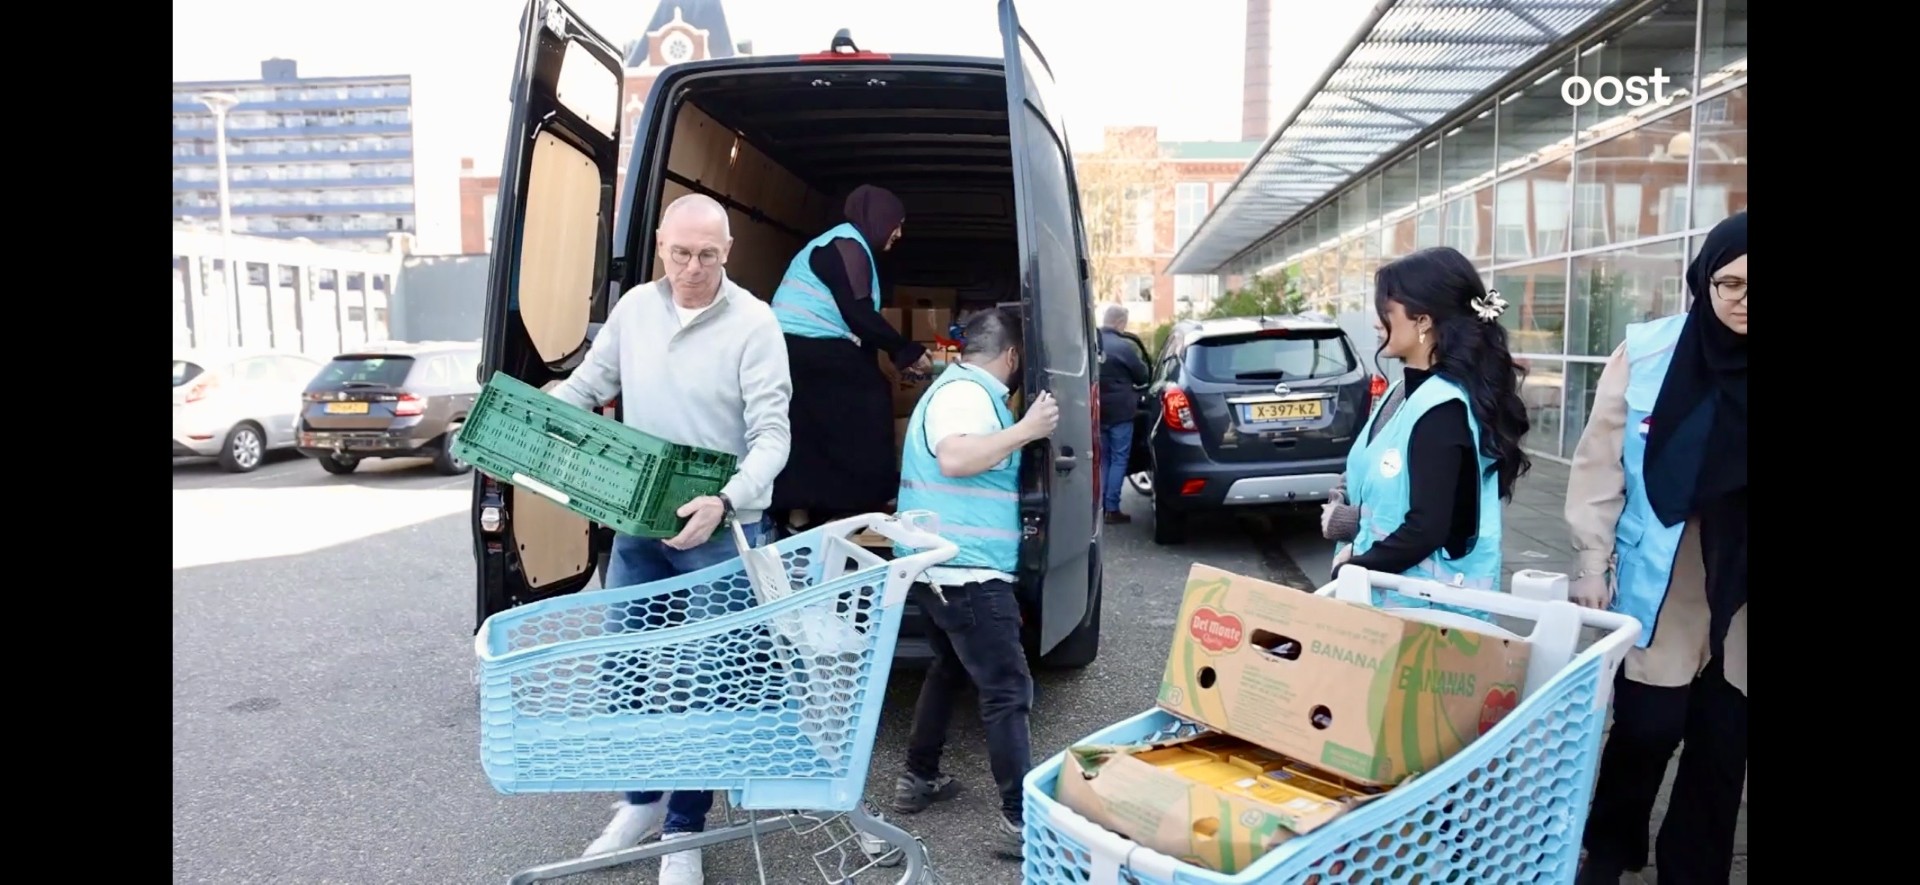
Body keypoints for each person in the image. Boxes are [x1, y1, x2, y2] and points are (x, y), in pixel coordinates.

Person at [548, 193, 793, 885]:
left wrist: (725, 499)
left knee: (706, 683)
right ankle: (641, 800)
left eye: (707, 255)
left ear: (728, 253)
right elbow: (589, 385)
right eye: (681, 253)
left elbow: (773, 437)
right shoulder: (634, 311)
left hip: (722, 526)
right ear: (660, 245)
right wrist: (536, 420)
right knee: (622, 671)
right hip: (640, 520)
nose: (692, 267)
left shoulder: (754, 323)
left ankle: (686, 825)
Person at [1568, 211, 1746, 885]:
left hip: (1745, 584)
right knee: (1646, 726)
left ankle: (1694, 872)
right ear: (1703, 280)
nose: (1742, 300)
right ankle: (1608, 848)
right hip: (1666, 574)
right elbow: (1596, 465)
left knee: (1724, 743)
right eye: (1729, 283)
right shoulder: (1648, 351)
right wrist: (1592, 561)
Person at [888, 308, 1058, 856]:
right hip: (966, 573)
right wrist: (1027, 430)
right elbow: (957, 457)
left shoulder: (958, 388)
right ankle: (1022, 822)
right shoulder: (966, 393)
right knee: (1008, 691)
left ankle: (919, 777)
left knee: (949, 670)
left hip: (941, 567)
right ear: (1011, 356)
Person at [1320, 246, 1532, 618]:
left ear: (1423, 321)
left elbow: (1428, 528)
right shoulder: (1405, 391)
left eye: (1386, 312)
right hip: (1396, 607)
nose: (1375, 323)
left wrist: (1352, 569)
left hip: (1426, 620)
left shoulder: (1442, 407)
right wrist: (1348, 512)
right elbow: (1382, 476)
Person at [768, 184, 932, 528]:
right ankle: (863, 500)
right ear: (879, 219)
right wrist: (907, 351)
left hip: (798, 350)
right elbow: (858, 313)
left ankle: (802, 512)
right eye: (896, 224)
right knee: (868, 407)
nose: (898, 234)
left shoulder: (845, 246)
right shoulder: (847, 246)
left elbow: (857, 324)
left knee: (808, 430)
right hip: (809, 348)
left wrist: (895, 357)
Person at [1096, 305, 1150, 523]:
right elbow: (1142, 375)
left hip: (1098, 411)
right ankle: (1112, 508)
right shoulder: (1124, 347)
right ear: (1120, 322)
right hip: (1121, 412)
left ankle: (1100, 507)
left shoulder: (1093, 345)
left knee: (1104, 459)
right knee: (1119, 459)